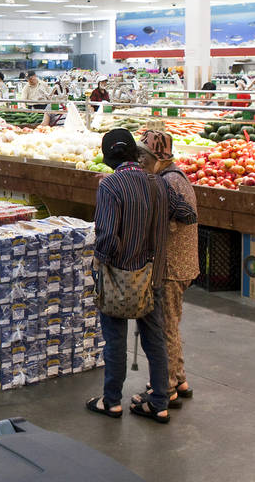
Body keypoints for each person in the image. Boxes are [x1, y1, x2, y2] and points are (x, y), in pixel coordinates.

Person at [86, 128, 197, 424]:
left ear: (109, 157)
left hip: (119, 276)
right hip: (153, 275)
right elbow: (187, 214)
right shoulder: (158, 183)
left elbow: (108, 237)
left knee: (115, 340)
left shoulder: (110, 185)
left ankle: (112, 402)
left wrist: (99, 264)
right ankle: (159, 402)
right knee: (155, 339)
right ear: (135, 154)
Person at [138, 129, 198, 409]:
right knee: (172, 323)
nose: (141, 161)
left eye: (145, 155)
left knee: (165, 328)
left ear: (158, 156)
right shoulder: (175, 176)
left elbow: (170, 224)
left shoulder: (168, 182)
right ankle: (180, 378)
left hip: (173, 266)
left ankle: (169, 386)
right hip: (183, 263)